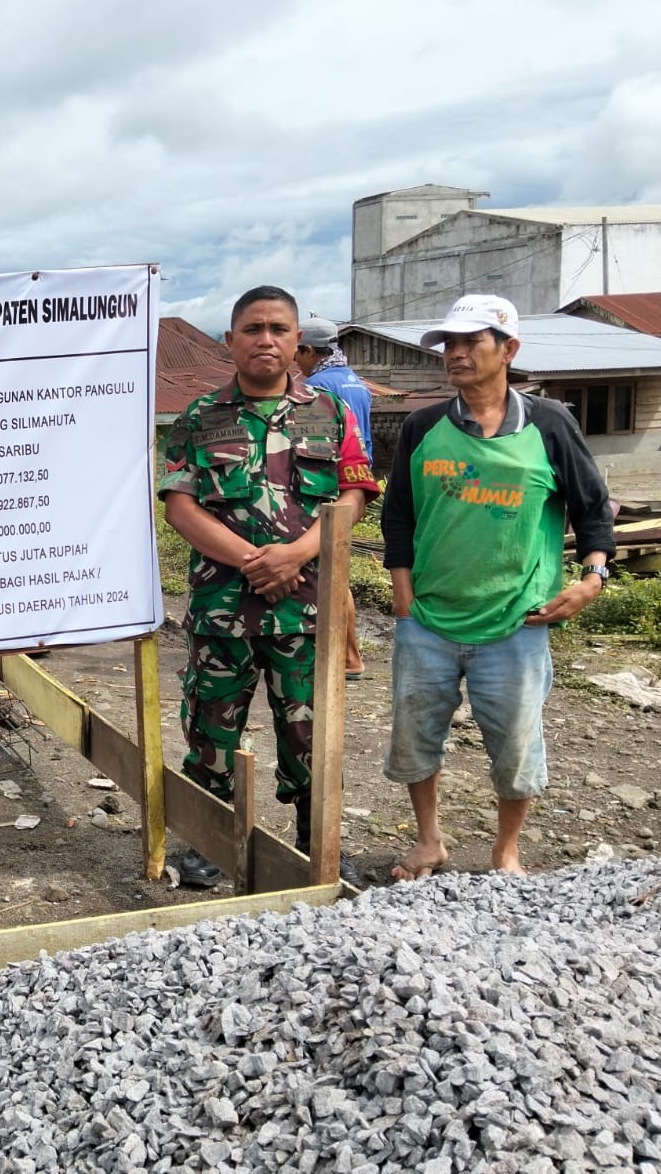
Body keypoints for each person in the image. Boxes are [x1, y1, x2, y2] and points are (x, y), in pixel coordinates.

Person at [382, 294, 613, 879]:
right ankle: (429, 840)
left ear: (508, 349)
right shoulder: (422, 425)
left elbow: (592, 509)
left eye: (471, 343)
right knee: (415, 738)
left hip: (516, 622)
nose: (455, 354)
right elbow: (399, 516)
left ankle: (506, 849)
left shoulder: (550, 423)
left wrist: (592, 578)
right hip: (429, 620)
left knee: (514, 746)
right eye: (449, 345)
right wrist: (404, 599)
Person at [158, 285, 378, 888]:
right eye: (252, 329)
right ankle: (206, 841)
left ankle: (316, 842)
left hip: (306, 609)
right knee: (211, 726)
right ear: (230, 342)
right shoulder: (200, 417)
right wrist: (258, 561)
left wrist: (298, 555)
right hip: (222, 608)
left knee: (311, 729)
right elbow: (181, 506)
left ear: (296, 342)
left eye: (278, 329)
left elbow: (354, 493)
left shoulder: (329, 413)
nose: (266, 340)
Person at [295, 315, 374, 679]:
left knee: (328, 576)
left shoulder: (319, 388)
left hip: (324, 485)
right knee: (335, 572)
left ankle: (347, 657)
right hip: (355, 486)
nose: (297, 361)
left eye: (299, 353)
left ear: (309, 350)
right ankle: (347, 655)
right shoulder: (356, 383)